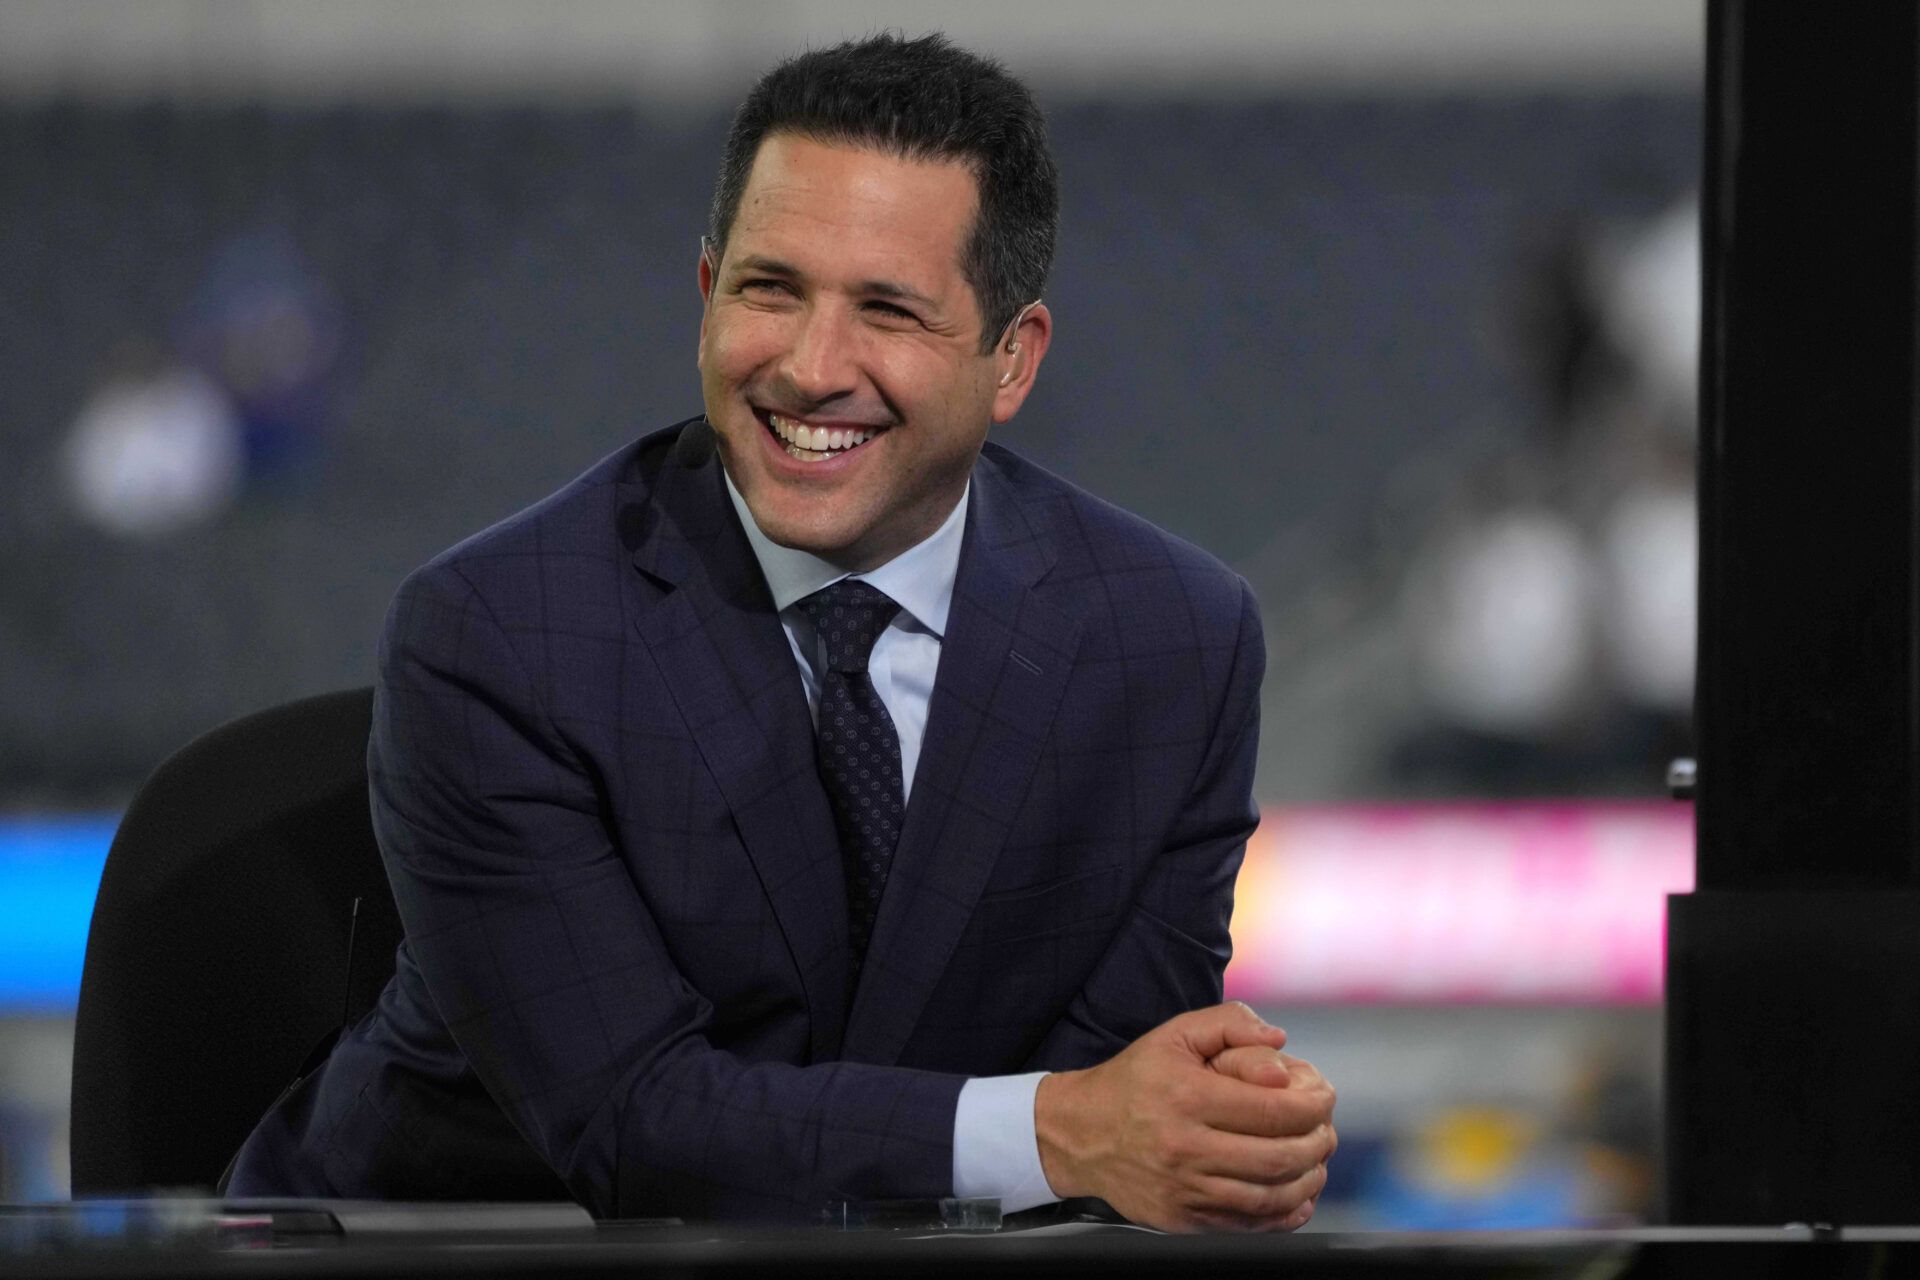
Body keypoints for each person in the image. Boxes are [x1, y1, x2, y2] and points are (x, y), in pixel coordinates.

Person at [228, 33, 1336, 1232]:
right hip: (454, 1255)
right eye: (771, 289)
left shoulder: (1174, 639)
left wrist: (1217, 1130)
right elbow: (634, 1121)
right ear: (706, 296)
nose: (812, 367)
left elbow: (1127, 1119)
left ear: (1011, 359)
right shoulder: (500, 634)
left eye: (887, 310)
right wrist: (1058, 1129)